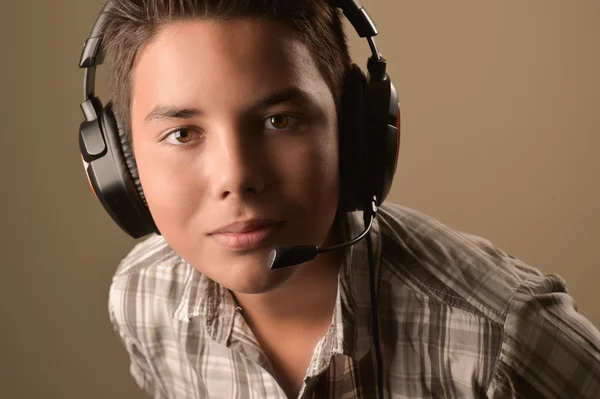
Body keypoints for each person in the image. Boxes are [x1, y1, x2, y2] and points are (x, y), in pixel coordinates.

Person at [78, 0, 600, 398]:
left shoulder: (507, 336)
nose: (236, 178)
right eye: (183, 134)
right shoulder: (142, 298)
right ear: (120, 168)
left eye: (279, 121)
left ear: (356, 135)